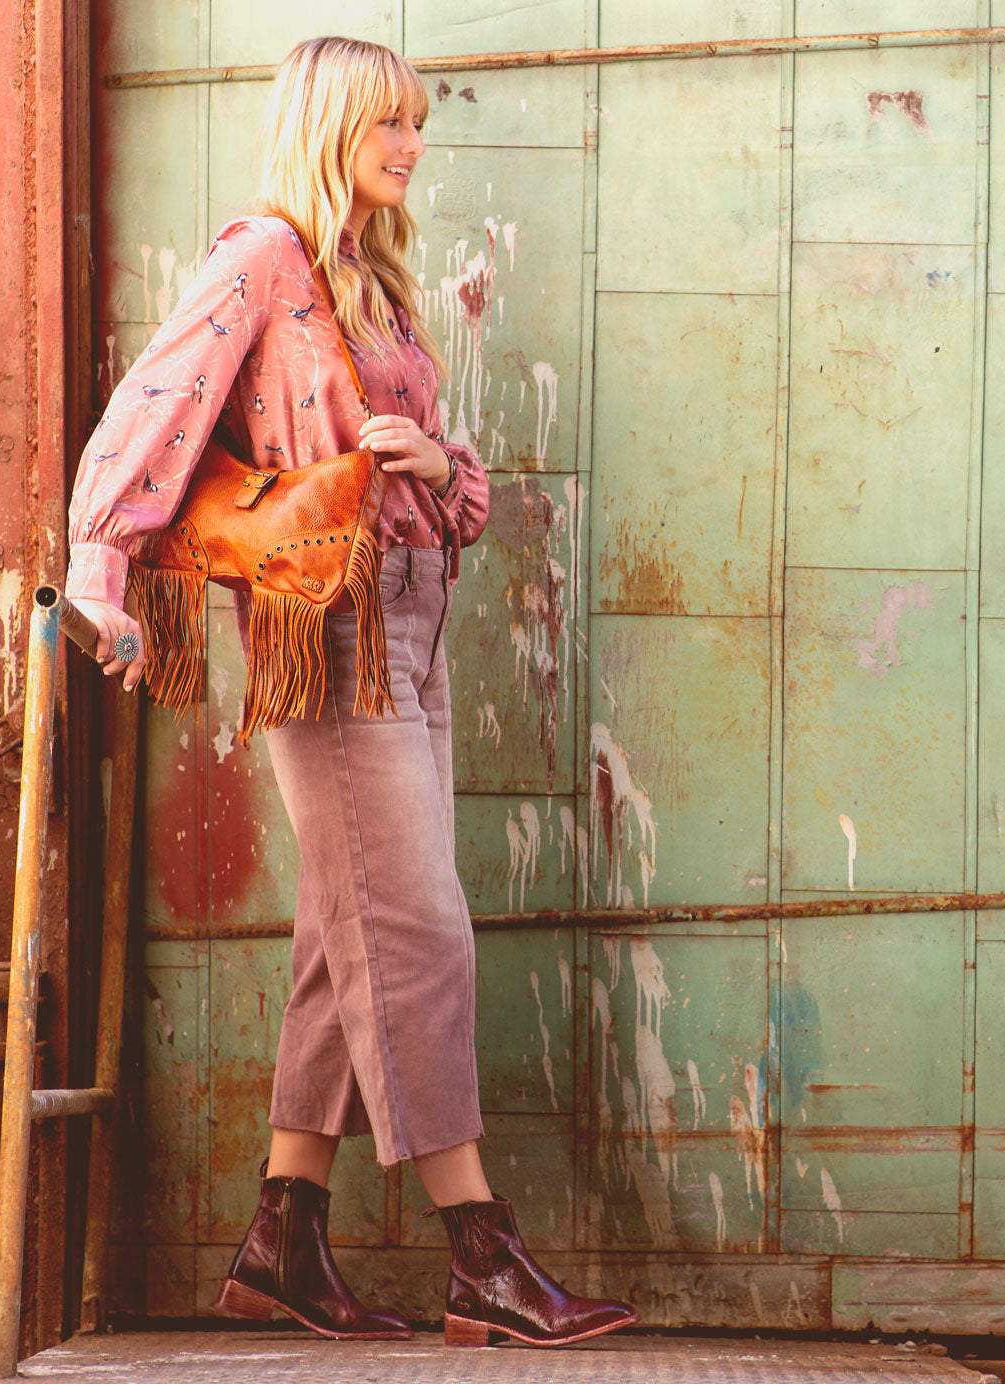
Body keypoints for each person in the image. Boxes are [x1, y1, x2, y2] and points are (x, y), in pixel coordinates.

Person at [66, 35, 637, 1349]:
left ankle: (284, 1236)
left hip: (415, 631)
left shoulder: (372, 281)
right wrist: (102, 571)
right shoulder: (262, 258)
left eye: (417, 126)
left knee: (348, 928)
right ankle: (480, 1253)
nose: (413, 147)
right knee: (421, 928)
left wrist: (435, 457)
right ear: (332, 125)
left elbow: (455, 492)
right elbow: (138, 420)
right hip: (324, 637)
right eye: (391, 125)